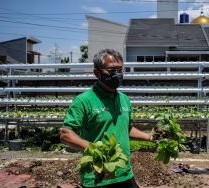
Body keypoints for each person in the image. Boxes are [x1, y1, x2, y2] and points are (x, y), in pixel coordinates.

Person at [60, 49, 152, 188]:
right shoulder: (84, 100)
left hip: (124, 172)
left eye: (120, 70)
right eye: (111, 70)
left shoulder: (124, 99)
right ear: (97, 73)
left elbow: (125, 128)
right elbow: (66, 134)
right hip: (97, 176)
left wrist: (151, 137)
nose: (117, 74)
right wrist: (96, 150)